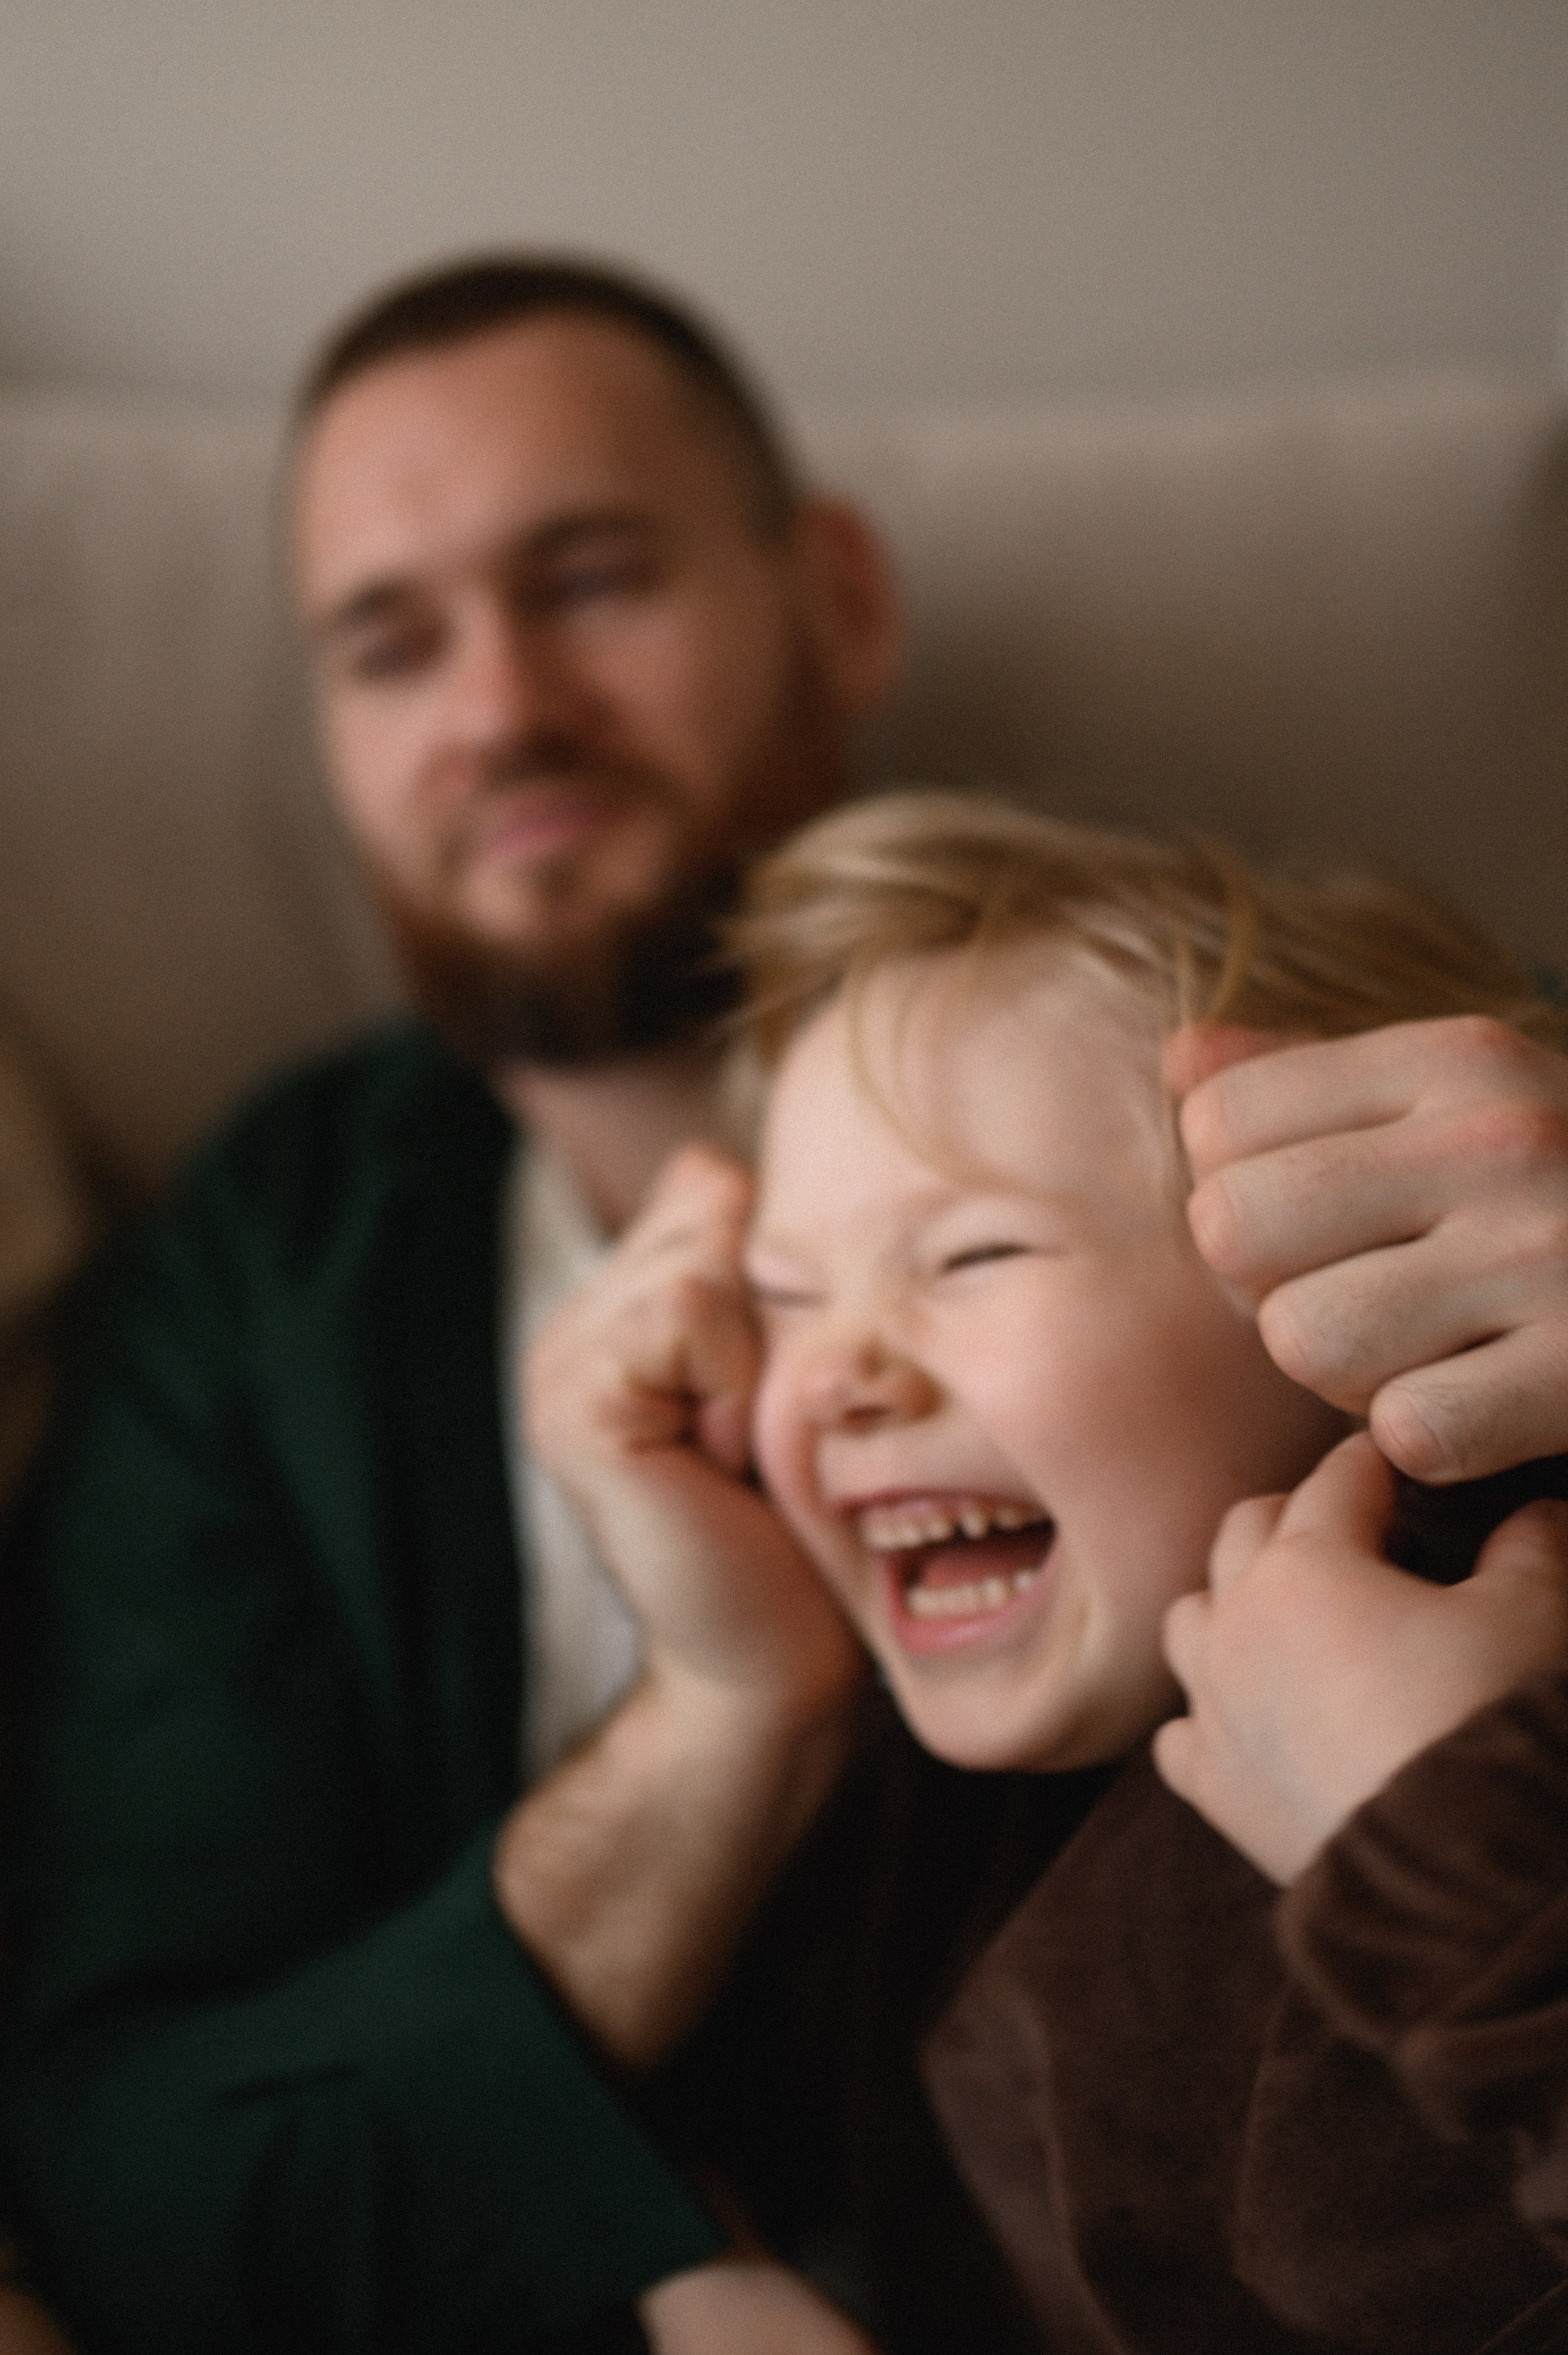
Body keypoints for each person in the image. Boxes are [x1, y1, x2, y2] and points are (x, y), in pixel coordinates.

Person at [7, 251, 1568, 2351]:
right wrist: (724, 1724)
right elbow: (128, 2169)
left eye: (589, 578)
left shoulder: (1280, 1051)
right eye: (388, 645)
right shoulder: (261, 1272)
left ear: (833, 594)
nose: (496, 707)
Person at [533, 786, 1568, 2347]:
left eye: (972, 1256)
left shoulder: (1507, 1675)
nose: (842, 1373)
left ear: (1367, 1294)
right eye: (787, 1296)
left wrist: (1440, 1826)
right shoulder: (911, 1807)